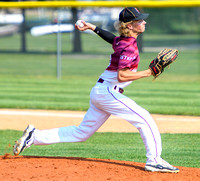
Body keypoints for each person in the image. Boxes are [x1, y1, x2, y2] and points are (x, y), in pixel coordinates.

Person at [13, 7, 179, 173]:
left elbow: (111, 39)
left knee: (82, 133)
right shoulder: (128, 47)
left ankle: (34, 136)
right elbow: (122, 76)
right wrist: (149, 72)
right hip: (108, 93)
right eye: (140, 20)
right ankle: (154, 160)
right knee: (145, 119)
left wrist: (93, 27)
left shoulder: (124, 41)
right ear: (130, 25)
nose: (144, 22)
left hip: (101, 91)